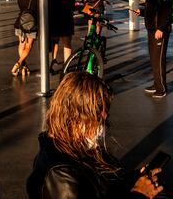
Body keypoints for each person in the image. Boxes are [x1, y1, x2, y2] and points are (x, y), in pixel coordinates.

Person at [27, 72, 164, 199]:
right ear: (75, 119)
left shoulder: (77, 146)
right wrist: (139, 195)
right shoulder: (61, 174)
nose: (104, 127)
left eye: (106, 120)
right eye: (100, 121)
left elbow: (103, 185)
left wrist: (133, 179)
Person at [134, 0, 173, 99]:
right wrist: (142, 12)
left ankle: (161, 89)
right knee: (153, 60)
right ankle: (156, 84)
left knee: (159, 60)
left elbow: (166, 10)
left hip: (159, 32)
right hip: (152, 31)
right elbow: (154, 11)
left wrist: (161, 28)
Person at [11, 0, 37, 76]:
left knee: (21, 45)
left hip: (20, 23)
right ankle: (18, 64)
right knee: (28, 46)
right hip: (31, 24)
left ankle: (24, 67)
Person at [49, 0, 75, 74]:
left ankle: (53, 59)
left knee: (54, 42)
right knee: (67, 44)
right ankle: (66, 65)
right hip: (66, 19)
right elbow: (73, 4)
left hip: (54, 19)